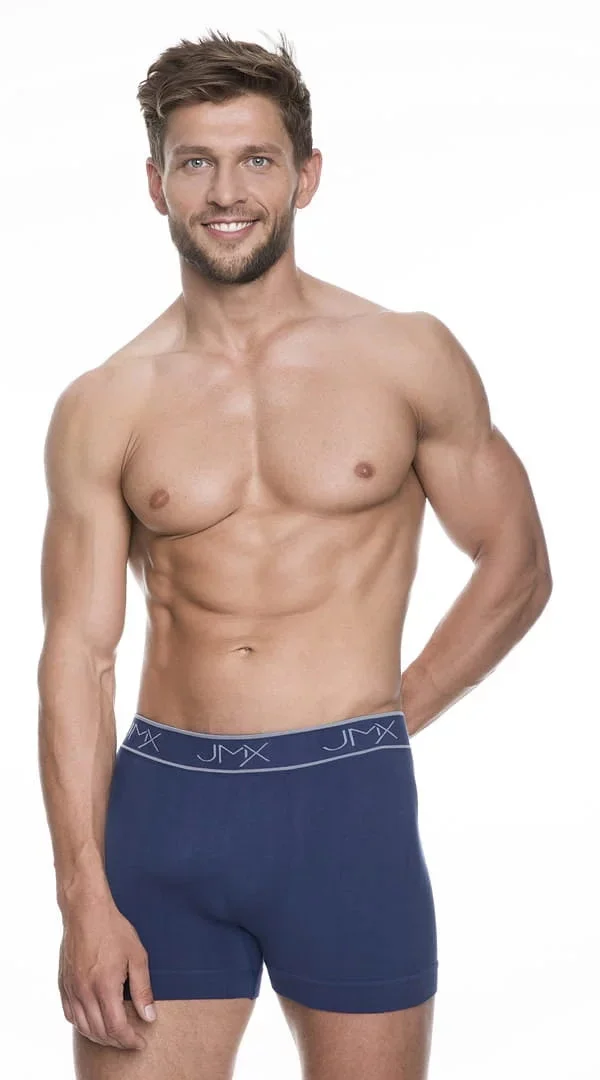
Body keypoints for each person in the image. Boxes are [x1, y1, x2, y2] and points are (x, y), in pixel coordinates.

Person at [37, 29, 552, 1080]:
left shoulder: (405, 355)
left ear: (306, 176)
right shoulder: (105, 403)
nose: (227, 191)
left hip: (348, 816)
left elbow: (517, 562)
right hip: (166, 820)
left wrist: (387, 716)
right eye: (196, 162)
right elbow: (77, 657)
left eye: (257, 160)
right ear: (156, 183)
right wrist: (83, 895)